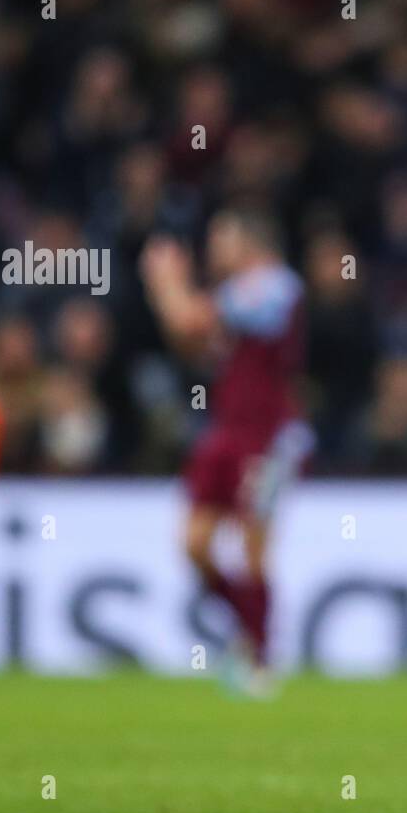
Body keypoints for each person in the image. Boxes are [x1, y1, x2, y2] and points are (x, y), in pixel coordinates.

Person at [141, 210, 311, 696]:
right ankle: (250, 632)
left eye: (221, 239)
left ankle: (260, 660)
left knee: (254, 548)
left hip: (268, 436)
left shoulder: (275, 285)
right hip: (225, 431)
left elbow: (188, 318)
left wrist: (166, 281)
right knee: (194, 543)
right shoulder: (239, 296)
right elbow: (188, 338)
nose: (213, 250)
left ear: (249, 242)